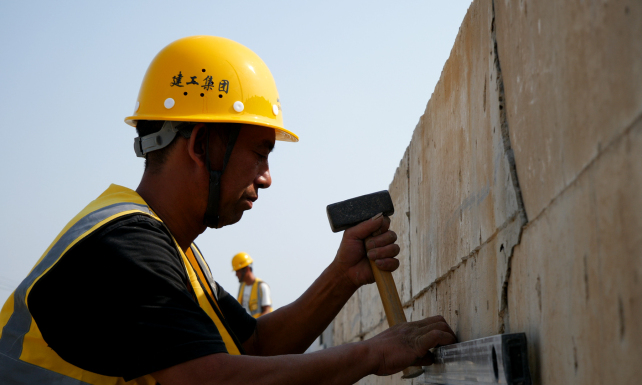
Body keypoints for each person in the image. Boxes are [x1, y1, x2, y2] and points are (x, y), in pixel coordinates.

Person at [0, 35, 455, 385]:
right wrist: (373, 355)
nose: (267, 176)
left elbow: (253, 347)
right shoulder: (125, 245)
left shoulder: (174, 250)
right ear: (201, 145)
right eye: (260, 153)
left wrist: (343, 276)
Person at [232, 252, 272, 317]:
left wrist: (256, 325)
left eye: (237, 271)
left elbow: (267, 311)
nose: (236, 274)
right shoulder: (241, 287)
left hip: (260, 326)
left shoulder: (262, 286)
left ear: (247, 269)